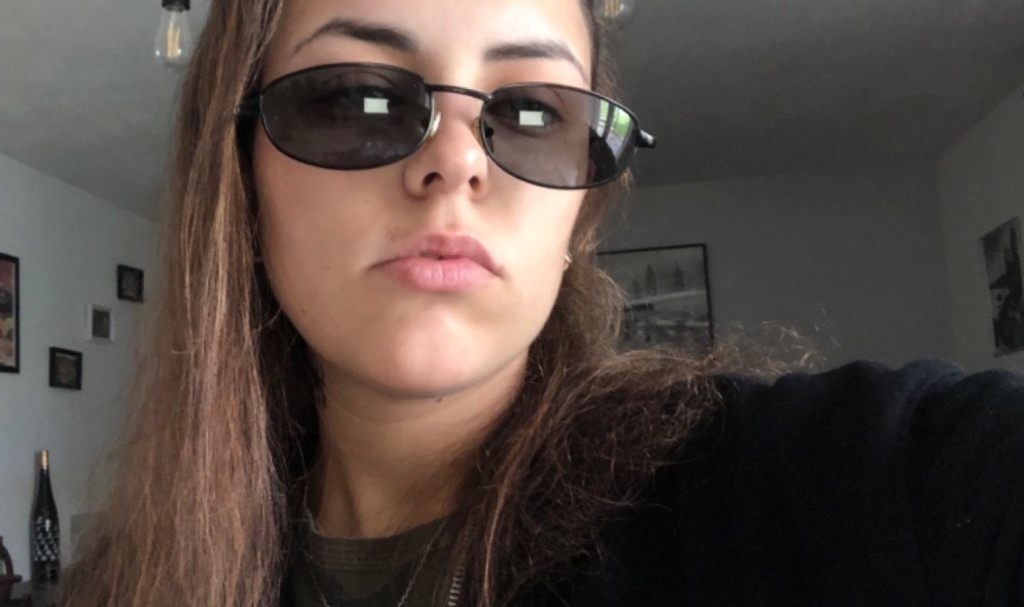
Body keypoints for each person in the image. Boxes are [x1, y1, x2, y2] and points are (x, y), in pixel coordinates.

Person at [61, 0, 1024, 605]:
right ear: (239, 176)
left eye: (532, 112)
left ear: (578, 212)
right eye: (355, 96)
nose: (456, 160)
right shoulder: (124, 582)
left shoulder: (806, 494)